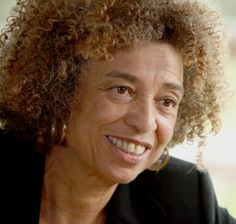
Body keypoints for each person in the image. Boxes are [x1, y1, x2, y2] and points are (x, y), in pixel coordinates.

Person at [0, 0, 235, 223]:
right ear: (61, 89)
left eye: (167, 101)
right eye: (122, 90)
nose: (145, 123)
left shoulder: (185, 196)